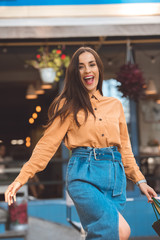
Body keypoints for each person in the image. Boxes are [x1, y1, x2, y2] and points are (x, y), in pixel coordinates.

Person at [5, 47, 157, 240]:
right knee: (121, 230)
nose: (87, 71)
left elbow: (125, 148)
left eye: (92, 65)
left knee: (108, 235)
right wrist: (21, 178)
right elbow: (47, 145)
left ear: (99, 69)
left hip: (114, 179)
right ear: (75, 74)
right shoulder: (67, 106)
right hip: (84, 176)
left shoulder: (115, 105)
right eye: (81, 67)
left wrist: (140, 180)